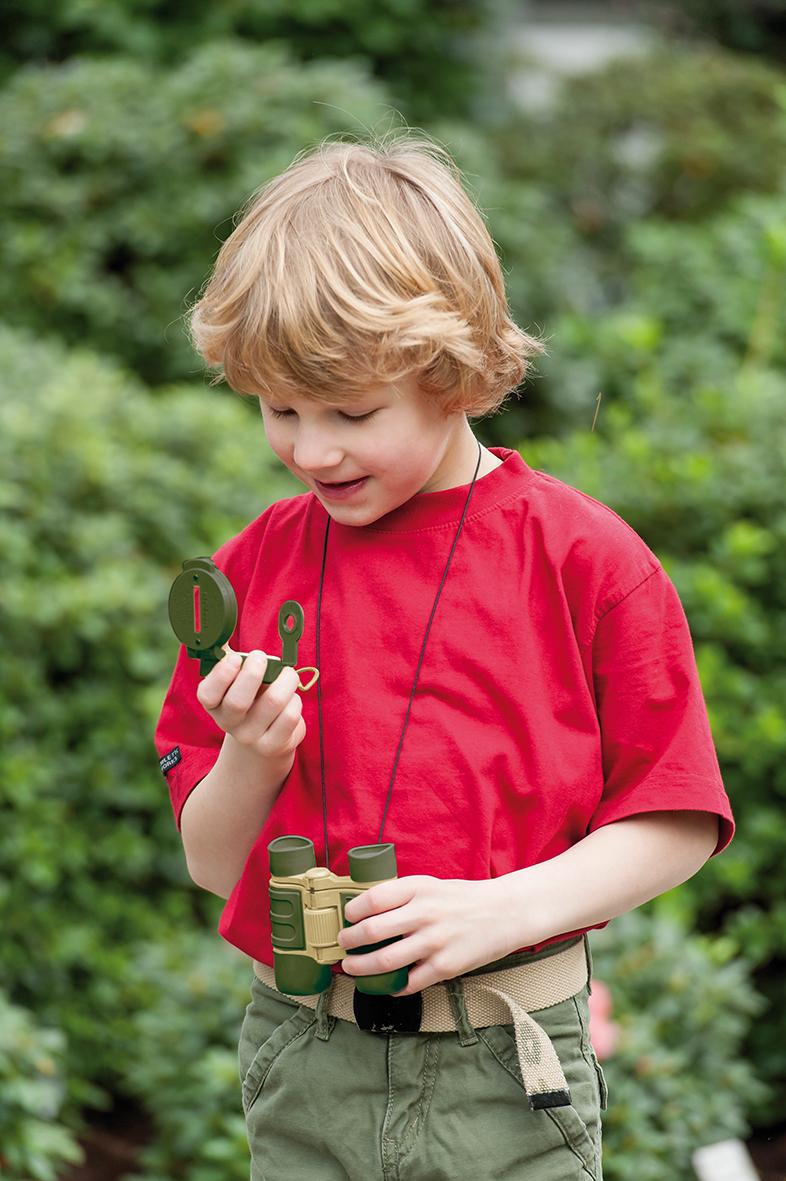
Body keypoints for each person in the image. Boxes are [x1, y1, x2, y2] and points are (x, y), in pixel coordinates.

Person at [154, 131, 734, 1181]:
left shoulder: (583, 558)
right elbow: (208, 858)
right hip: (303, 1059)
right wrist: (252, 752)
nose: (312, 449)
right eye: (280, 409)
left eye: (352, 412)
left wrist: (503, 907)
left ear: (454, 372)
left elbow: (679, 816)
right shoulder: (255, 566)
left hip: (509, 1065)